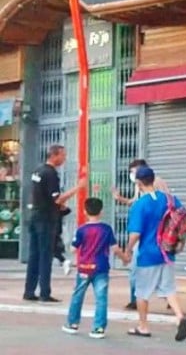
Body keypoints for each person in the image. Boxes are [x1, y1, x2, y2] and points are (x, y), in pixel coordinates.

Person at [125, 165, 186, 341]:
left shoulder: (140, 204)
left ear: (138, 183)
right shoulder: (170, 199)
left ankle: (143, 326)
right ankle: (180, 317)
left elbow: (135, 233)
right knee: (169, 289)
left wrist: (128, 250)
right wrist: (181, 243)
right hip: (167, 252)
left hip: (148, 254)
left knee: (142, 292)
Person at [61, 197, 130, 339]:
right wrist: (124, 259)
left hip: (84, 268)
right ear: (101, 211)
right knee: (101, 298)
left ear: (85, 211)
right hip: (101, 268)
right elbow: (115, 248)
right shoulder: (106, 229)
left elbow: (73, 249)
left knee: (78, 296)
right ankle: (98, 328)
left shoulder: (81, 230)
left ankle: (73, 324)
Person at [24, 145, 86, 302]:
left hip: (35, 216)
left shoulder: (38, 171)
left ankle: (29, 291)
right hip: (46, 219)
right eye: (63, 155)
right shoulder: (50, 174)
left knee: (34, 255)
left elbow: (40, 195)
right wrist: (78, 188)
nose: (64, 159)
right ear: (54, 155)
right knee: (45, 256)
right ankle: (45, 292)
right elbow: (57, 198)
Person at [111, 159, 148, 310]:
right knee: (137, 269)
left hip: (146, 234)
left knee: (136, 269)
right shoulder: (138, 186)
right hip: (143, 234)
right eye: (131, 172)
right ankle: (135, 299)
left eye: (134, 172)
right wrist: (120, 199)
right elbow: (134, 201)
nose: (132, 175)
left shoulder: (154, 184)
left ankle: (137, 300)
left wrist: (128, 248)